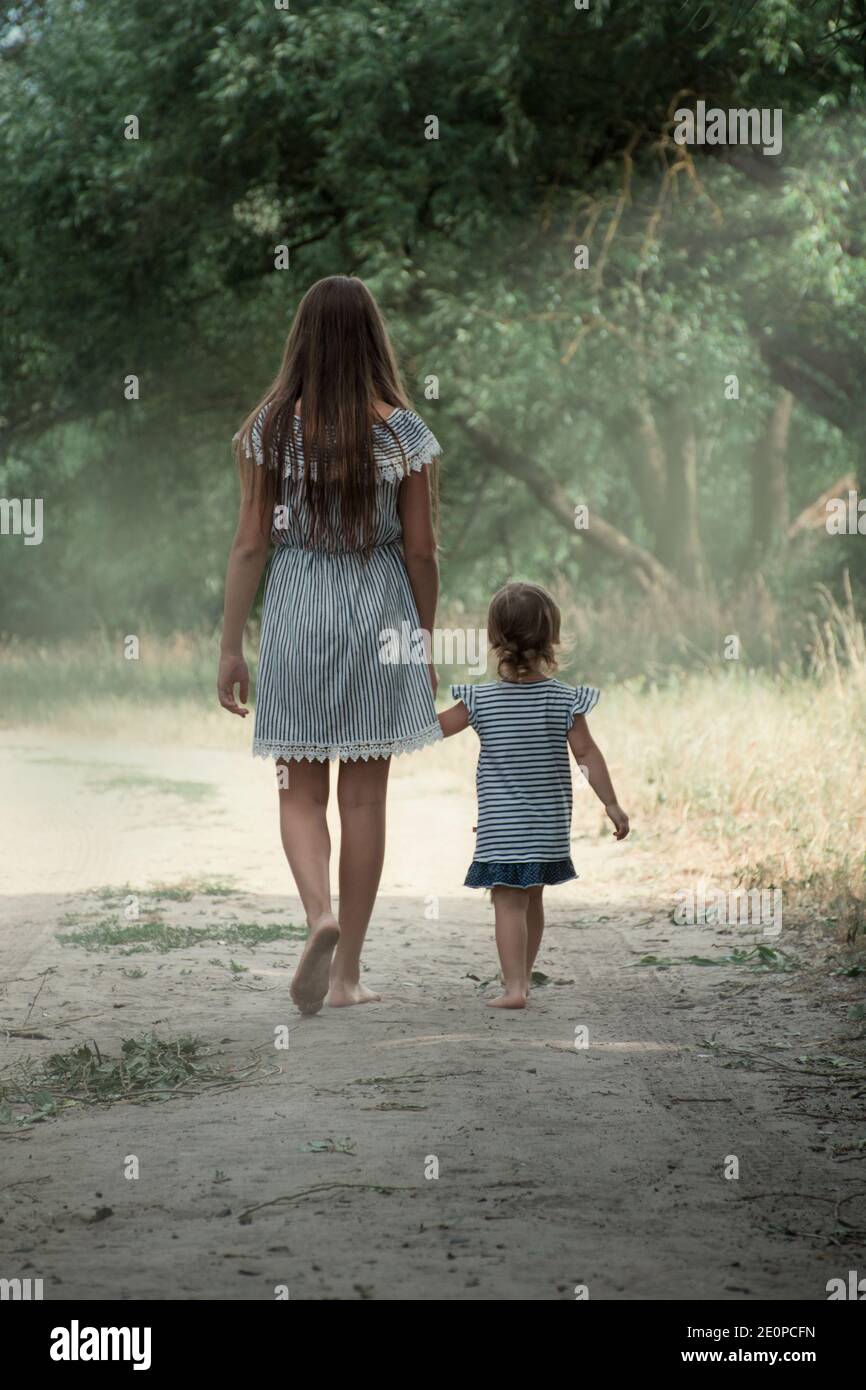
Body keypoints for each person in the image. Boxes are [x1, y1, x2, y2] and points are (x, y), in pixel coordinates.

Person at [218, 275, 442, 1015]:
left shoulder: (268, 430)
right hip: (379, 609)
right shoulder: (404, 432)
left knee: (298, 786)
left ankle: (319, 913)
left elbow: (251, 546)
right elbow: (421, 552)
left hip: (297, 609)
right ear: (373, 339)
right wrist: (423, 642)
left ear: (302, 339)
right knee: (366, 794)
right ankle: (346, 974)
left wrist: (229, 648)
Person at [438, 581, 629, 1008]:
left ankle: (514, 989)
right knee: (532, 898)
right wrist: (611, 804)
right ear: (552, 640)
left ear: (494, 640)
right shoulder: (564, 700)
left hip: (502, 828)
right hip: (547, 826)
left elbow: (434, 728)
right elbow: (587, 755)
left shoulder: (479, 700)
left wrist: (395, 705)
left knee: (506, 902)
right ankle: (521, 978)